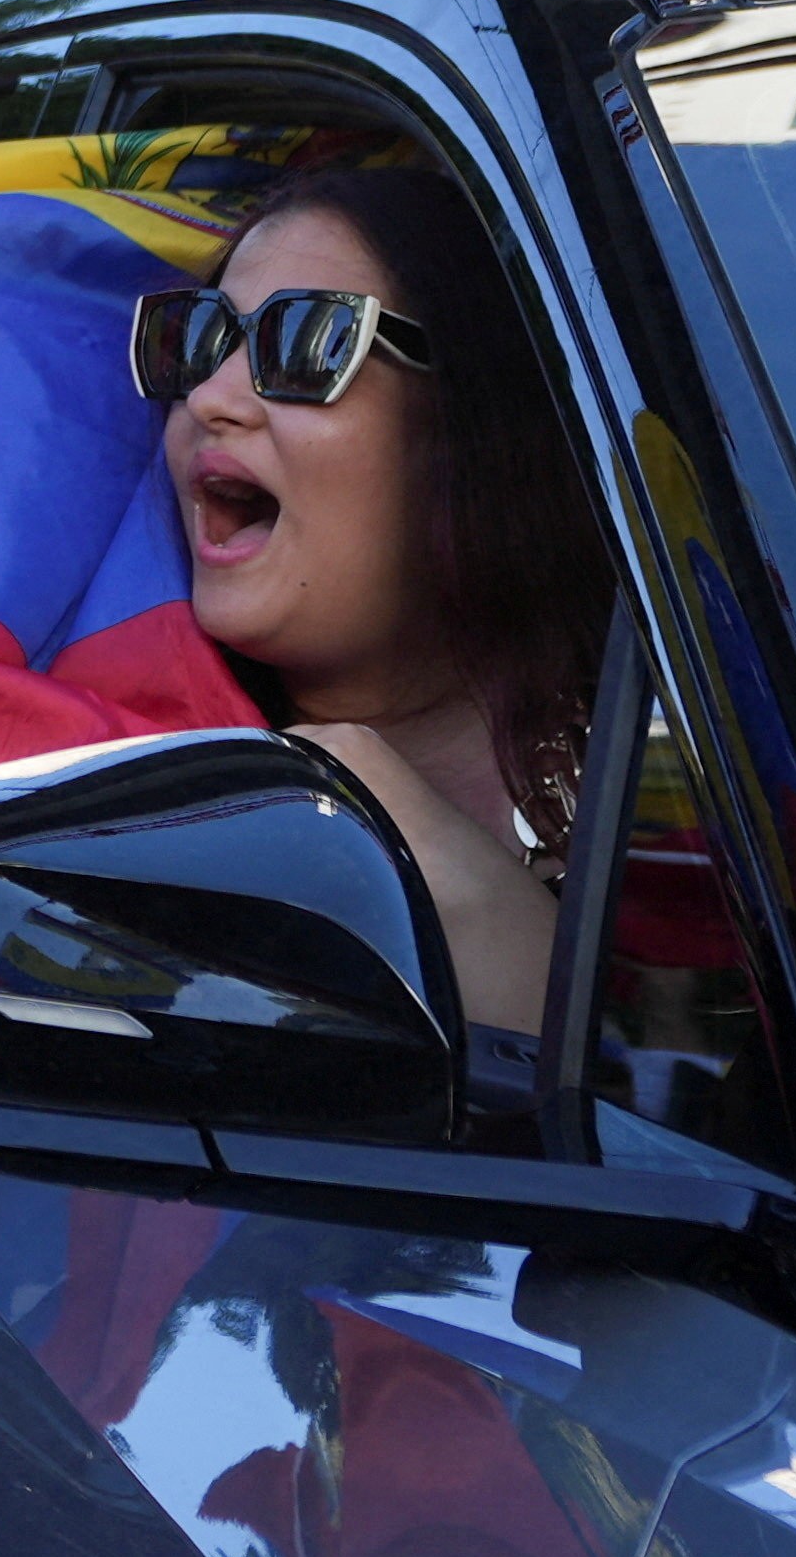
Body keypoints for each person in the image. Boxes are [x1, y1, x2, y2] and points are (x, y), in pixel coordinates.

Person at [139, 164, 615, 1032]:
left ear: (483, 424)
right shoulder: (134, 802)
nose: (208, 398)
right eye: (199, 340)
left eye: (307, 341)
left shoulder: (707, 772)